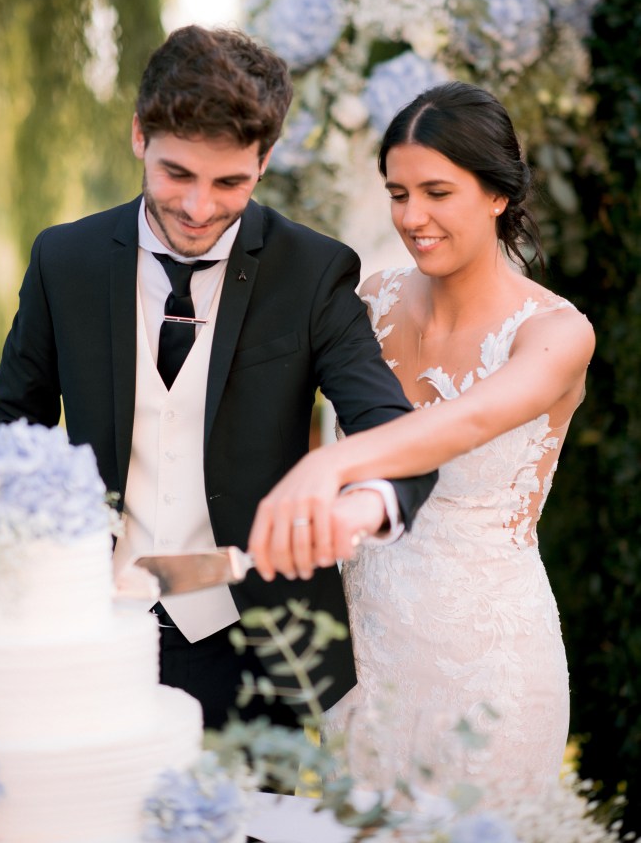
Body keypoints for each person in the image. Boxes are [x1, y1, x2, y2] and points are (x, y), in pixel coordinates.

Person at [0, 24, 437, 730]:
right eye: (177, 174)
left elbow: (391, 429)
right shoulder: (63, 260)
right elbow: (12, 431)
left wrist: (360, 507)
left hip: (253, 645)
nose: (198, 208)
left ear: (266, 159)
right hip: (86, 631)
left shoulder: (312, 272)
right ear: (140, 135)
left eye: (230, 182)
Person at [248, 81, 595, 795]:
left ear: (497, 194)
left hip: (489, 662)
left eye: (437, 192)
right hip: (363, 656)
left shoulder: (557, 334)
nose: (412, 217)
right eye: (398, 194)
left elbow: (463, 424)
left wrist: (329, 467)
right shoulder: (369, 299)